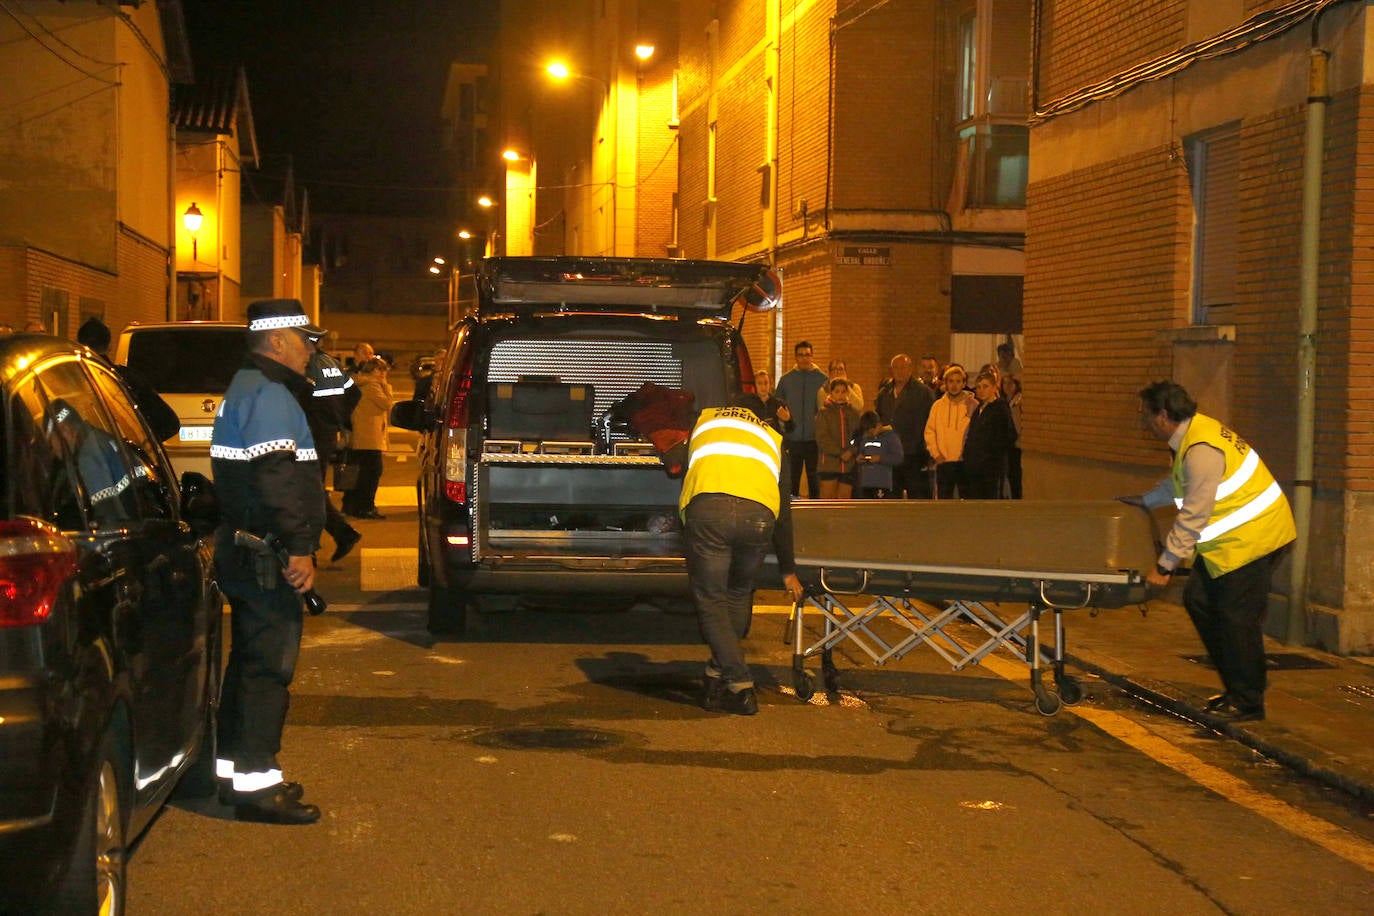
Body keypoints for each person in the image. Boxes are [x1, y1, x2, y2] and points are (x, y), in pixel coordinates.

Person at [210, 298, 326, 824]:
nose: (311, 350)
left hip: (247, 548)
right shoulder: (271, 395)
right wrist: (300, 547)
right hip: (268, 555)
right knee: (267, 670)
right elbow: (279, 479)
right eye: (306, 339)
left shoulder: (247, 387)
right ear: (277, 340)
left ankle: (236, 775)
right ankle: (259, 788)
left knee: (247, 664)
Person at [1119, 381, 1296, 723]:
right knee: (1199, 601)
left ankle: (1248, 699)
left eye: (1146, 415)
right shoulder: (1193, 436)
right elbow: (1181, 483)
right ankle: (1242, 681)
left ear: (1163, 416)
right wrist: (1147, 501)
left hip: (1254, 538)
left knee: (1235, 617)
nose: (1144, 423)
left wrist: (1166, 565)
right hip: (1232, 543)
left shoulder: (1201, 447)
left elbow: (1194, 514)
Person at [680, 398, 785, 716]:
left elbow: (689, 464)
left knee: (712, 600)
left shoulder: (705, 420)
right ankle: (715, 676)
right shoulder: (770, 434)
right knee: (739, 593)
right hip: (760, 514)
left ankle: (740, 683)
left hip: (711, 508)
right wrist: (788, 564)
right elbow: (784, 494)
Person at [76, 316, 181, 445]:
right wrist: (143, 445)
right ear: (109, 347)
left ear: (79, 345)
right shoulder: (129, 379)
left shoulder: (72, 381)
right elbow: (170, 423)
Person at [303, 335, 361, 561]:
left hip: (310, 434)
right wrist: (339, 419)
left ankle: (317, 544)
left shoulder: (307, 366)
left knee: (307, 489)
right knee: (311, 487)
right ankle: (340, 534)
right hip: (325, 433)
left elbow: (302, 398)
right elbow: (354, 393)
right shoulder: (332, 363)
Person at [875, 353, 935, 498]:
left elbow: (929, 423)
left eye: (904, 367)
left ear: (910, 369)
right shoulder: (884, 393)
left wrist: (927, 453)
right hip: (890, 455)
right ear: (891, 370)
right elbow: (879, 418)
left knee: (918, 498)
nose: (900, 371)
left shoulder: (923, 393)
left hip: (914, 455)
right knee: (891, 497)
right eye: (896, 367)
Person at [773, 340, 828, 497]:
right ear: (795, 357)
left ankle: (815, 511)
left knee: (814, 478)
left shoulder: (822, 380)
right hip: (793, 437)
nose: (804, 358)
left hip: (814, 438)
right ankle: (792, 509)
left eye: (807, 355)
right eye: (801, 355)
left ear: (812, 356)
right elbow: (778, 405)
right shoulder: (786, 380)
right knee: (792, 478)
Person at [343, 357, 393, 519]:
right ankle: (366, 507)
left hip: (361, 435)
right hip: (370, 437)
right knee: (372, 473)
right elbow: (386, 404)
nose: (384, 374)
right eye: (383, 371)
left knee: (361, 473)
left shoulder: (359, 383)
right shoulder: (372, 386)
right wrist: (386, 385)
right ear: (376, 370)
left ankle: (353, 506)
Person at [962, 370, 1017, 499]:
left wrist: (991, 454)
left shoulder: (1000, 408)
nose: (981, 390)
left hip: (991, 468)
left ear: (994, 387)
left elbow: (1009, 436)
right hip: (975, 466)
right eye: (979, 387)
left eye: (985, 386)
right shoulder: (978, 410)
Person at [924, 363, 974, 499]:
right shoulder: (938, 406)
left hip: (964, 462)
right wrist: (936, 454)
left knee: (966, 501)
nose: (954, 385)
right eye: (951, 381)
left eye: (958, 381)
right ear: (945, 384)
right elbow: (930, 432)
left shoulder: (971, 405)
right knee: (944, 501)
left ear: (964, 383)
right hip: (943, 461)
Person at [814, 377, 860, 498]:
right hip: (829, 464)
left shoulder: (853, 413)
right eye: (837, 391)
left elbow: (858, 435)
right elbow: (822, 438)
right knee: (828, 503)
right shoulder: (823, 413)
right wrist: (840, 453)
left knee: (844, 504)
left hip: (849, 465)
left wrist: (851, 451)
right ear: (831, 393)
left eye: (843, 391)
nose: (840, 395)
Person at [854, 410, 904, 499]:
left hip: (883, 483)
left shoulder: (891, 438)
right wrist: (860, 458)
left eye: (872, 430)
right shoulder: (865, 438)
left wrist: (880, 458)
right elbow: (861, 451)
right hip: (866, 483)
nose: (871, 433)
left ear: (879, 424)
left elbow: (898, 458)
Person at [754, 369, 794, 436]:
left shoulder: (779, 404)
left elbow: (790, 429)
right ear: (755, 385)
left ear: (770, 384)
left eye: (766, 383)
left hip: (774, 442)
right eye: (759, 383)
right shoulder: (749, 404)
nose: (763, 387)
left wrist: (787, 420)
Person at [1002, 374, 1024, 498]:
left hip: (1017, 443)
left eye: (1010, 384)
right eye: (1005, 384)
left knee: (1015, 473)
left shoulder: (1019, 401)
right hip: (1008, 442)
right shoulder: (1004, 402)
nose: (1007, 387)